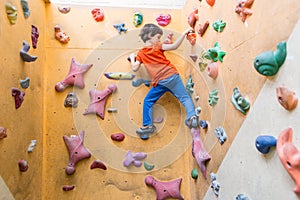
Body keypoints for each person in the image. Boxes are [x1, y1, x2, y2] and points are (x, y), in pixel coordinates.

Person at [130, 23, 199, 140]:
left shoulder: (141, 53)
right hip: (172, 76)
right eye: (157, 37)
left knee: (148, 101)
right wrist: (184, 33)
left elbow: (135, 67)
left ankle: (147, 125)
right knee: (185, 98)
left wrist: (132, 57)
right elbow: (174, 46)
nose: (159, 40)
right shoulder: (157, 46)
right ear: (149, 36)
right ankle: (192, 117)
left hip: (161, 82)